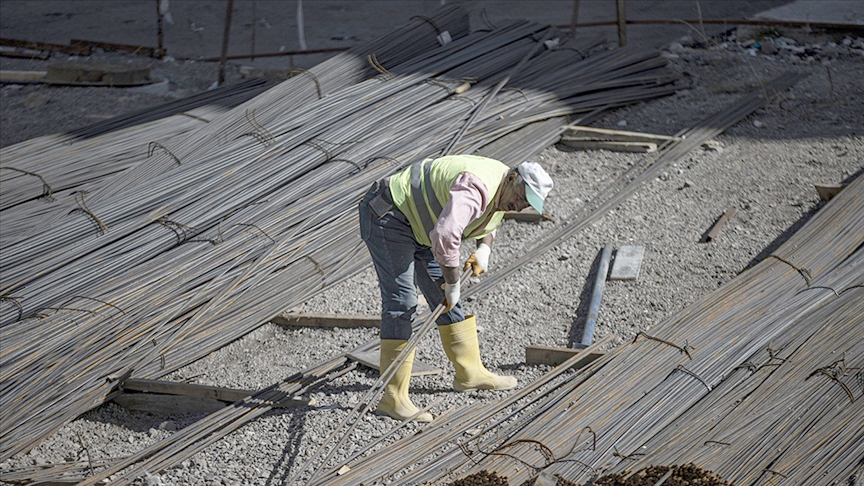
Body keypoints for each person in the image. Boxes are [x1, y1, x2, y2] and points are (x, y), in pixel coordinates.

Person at [358, 154, 553, 422]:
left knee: (447, 299)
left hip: (421, 225)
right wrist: (452, 283)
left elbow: (490, 216)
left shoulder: (503, 188)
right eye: (521, 197)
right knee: (402, 302)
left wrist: (484, 248)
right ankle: (392, 398)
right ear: (511, 178)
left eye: (527, 204)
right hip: (390, 215)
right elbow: (446, 235)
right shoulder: (477, 186)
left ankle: (468, 374)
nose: (519, 207)